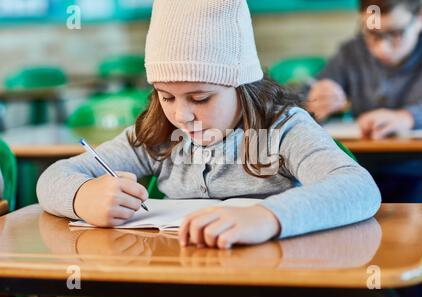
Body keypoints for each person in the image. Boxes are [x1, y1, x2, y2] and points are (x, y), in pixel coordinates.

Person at [37, 0, 381, 249]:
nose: (182, 116)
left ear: (241, 85)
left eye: (200, 99)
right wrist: (83, 196)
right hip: (180, 280)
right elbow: (52, 178)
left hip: (267, 282)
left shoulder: (282, 128)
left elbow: (359, 188)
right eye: (166, 97)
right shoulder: (159, 133)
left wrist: (267, 216)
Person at [307, 0, 422, 204]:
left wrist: (407, 118)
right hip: (362, 172)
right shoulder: (352, 52)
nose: (382, 49)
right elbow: (301, 96)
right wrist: (312, 103)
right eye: (373, 34)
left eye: (396, 34)